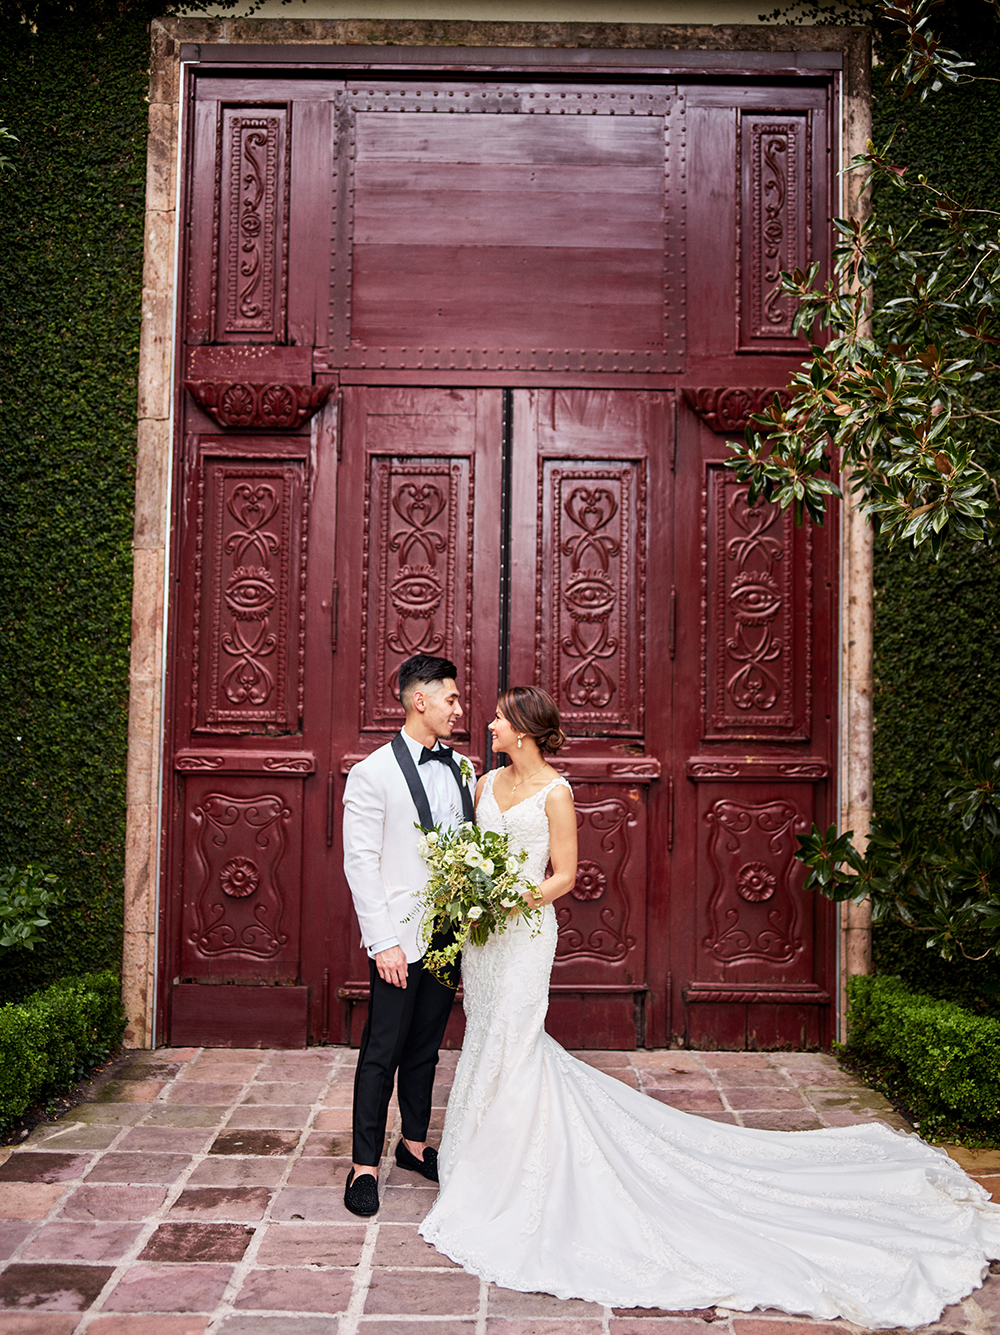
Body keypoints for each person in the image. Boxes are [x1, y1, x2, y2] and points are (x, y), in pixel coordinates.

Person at [420, 685, 1000, 1330]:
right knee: (486, 1033)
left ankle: (513, 1171)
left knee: (515, 1036)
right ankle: (481, 1156)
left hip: (523, 933)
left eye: (500, 718)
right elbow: (471, 851)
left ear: (523, 730)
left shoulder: (556, 793)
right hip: (483, 939)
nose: (489, 724)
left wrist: (511, 899)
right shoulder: (481, 785)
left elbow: (564, 874)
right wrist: (468, 888)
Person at [341, 653, 475, 1217]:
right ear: (420, 700)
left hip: (449, 936)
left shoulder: (464, 768)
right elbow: (360, 862)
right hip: (399, 940)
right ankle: (363, 1165)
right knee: (382, 1051)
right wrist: (383, 941)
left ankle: (413, 1145)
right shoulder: (372, 773)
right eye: (451, 698)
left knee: (425, 1049)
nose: (459, 709)